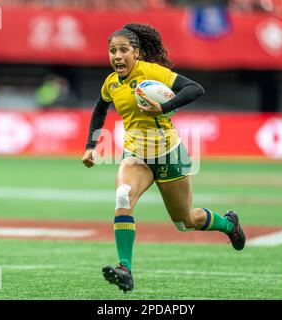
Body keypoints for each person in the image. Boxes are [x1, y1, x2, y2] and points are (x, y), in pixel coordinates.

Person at [81, 23, 246, 292]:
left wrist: (164, 107)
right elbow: (100, 109)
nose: (117, 56)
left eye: (124, 50)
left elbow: (195, 89)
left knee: (185, 222)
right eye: (112, 51)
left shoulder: (152, 72)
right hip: (136, 155)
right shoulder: (111, 82)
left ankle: (229, 225)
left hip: (169, 155)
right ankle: (125, 269)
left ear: (136, 53)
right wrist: (91, 145)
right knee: (123, 196)